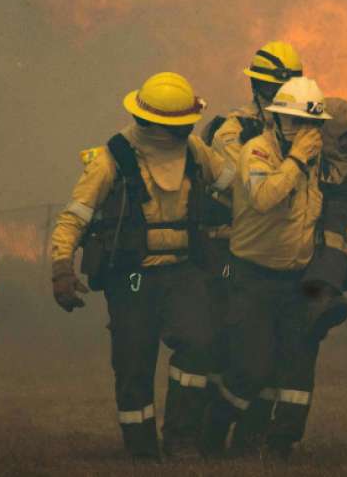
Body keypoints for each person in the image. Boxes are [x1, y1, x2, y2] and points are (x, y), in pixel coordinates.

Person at [50, 72, 227, 461]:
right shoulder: (112, 157)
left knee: (199, 345)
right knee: (134, 362)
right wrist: (62, 267)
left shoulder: (196, 150)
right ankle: (141, 450)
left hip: (183, 271)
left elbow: (234, 184)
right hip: (132, 275)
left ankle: (182, 439)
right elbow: (73, 219)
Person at [203, 76, 330, 461]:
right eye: (293, 122)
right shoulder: (256, 151)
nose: (303, 132)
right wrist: (295, 160)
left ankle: (263, 443)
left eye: (311, 124)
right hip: (252, 277)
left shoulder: (315, 160)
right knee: (250, 368)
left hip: (295, 279)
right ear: (275, 120)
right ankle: (212, 430)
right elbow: (263, 198)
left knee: (287, 367)